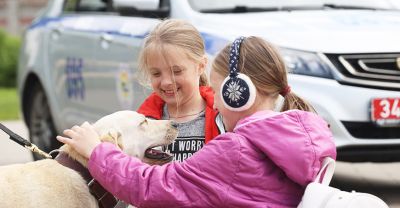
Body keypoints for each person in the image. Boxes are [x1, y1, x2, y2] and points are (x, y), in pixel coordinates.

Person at [57, 36, 337, 207]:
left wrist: (97, 150)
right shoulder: (296, 137)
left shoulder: (237, 150)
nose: (213, 100)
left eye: (216, 91)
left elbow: (151, 187)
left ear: (237, 93)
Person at [135, 19, 221, 162]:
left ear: (200, 66)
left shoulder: (223, 119)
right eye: (156, 74)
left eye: (176, 71)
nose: (166, 82)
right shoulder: (142, 123)